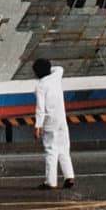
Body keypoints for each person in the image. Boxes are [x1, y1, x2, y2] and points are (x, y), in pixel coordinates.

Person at [32, 58, 75, 190]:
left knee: (51, 151)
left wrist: (37, 126)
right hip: (61, 120)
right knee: (64, 148)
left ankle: (51, 182)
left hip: (50, 122)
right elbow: (59, 68)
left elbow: (40, 109)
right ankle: (69, 176)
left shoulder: (40, 86)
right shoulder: (56, 76)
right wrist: (48, 68)